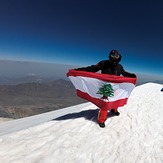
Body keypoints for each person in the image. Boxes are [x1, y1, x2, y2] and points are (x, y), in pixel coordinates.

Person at [74, 49, 136, 128]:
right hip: (106, 86)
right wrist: (78, 71)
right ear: (110, 56)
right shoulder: (103, 63)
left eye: (116, 56)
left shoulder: (120, 66)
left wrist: (131, 75)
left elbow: (124, 73)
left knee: (116, 98)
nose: (115, 57)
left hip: (116, 86)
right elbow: (92, 68)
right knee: (105, 103)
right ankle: (101, 120)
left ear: (119, 57)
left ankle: (114, 110)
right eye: (113, 55)